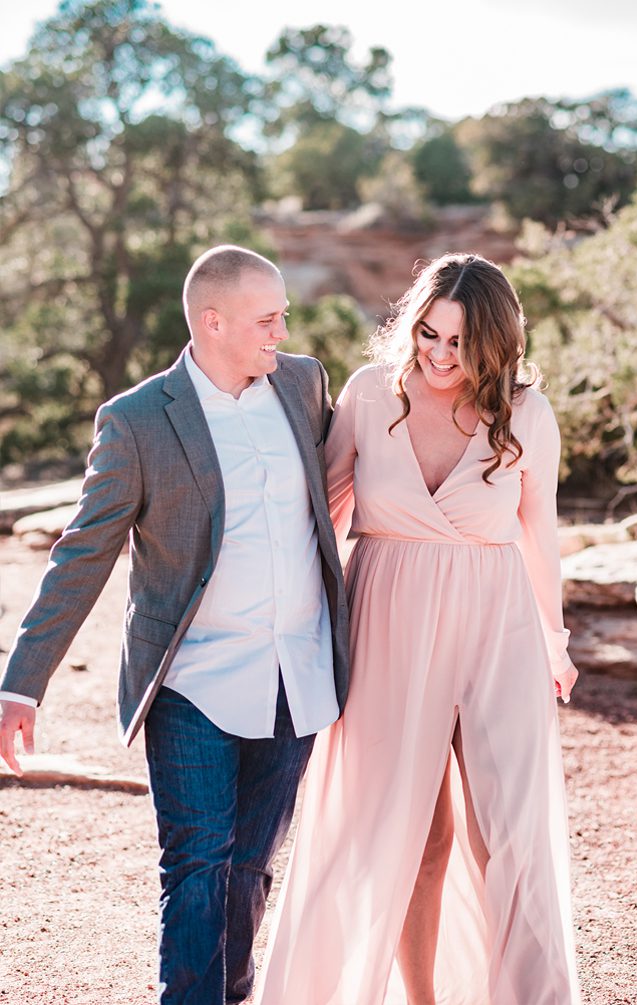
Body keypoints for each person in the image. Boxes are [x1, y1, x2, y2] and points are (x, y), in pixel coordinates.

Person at [0, 245, 350, 1005]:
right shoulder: (135, 422)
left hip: (299, 671)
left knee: (249, 865)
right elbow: (82, 554)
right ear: (212, 322)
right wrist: (21, 684)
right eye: (268, 317)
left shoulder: (303, 382)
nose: (282, 329)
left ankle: (229, 991)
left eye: (283, 314)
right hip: (192, 677)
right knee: (196, 863)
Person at [257, 253, 580, 1005]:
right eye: (428, 332)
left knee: (506, 830)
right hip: (389, 623)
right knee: (408, 832)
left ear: (494, 344)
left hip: (499, 627)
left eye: (459, 343)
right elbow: (320, 519)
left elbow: (542, 533)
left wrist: (555, 641)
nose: (438, 353)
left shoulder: (526, 413)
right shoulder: (372, 395)